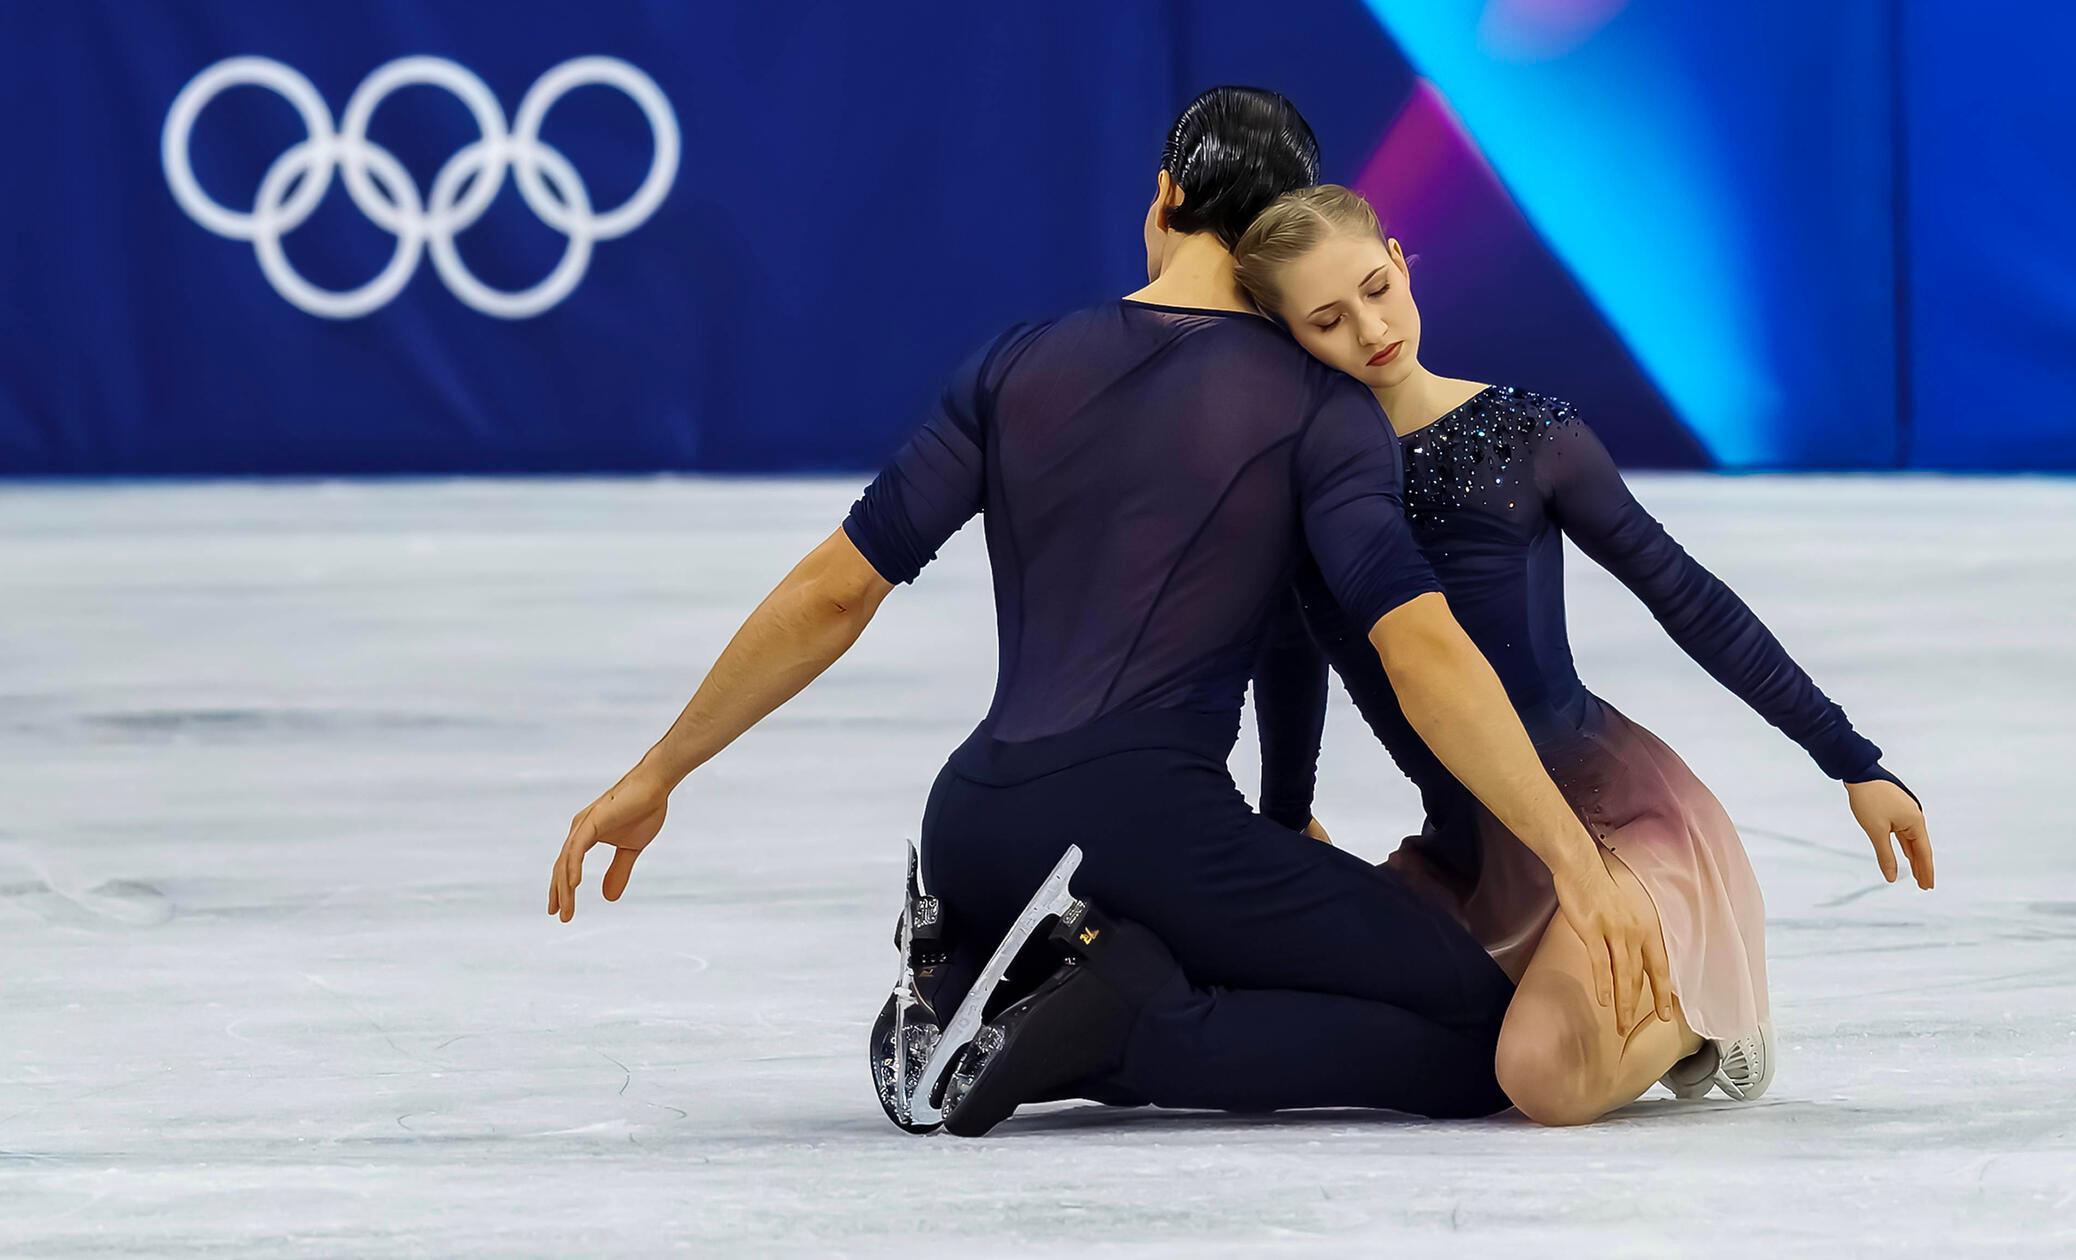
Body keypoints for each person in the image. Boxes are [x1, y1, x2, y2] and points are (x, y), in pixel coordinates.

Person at [546, 90, 1672, 1135]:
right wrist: (1572, 861)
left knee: (1229, 941)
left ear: (1165, 201)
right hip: (1151, 837)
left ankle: (988, 978)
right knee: (1482, 1029)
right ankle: (1123, 1025)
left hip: (971, 827)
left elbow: (837, 589)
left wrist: (658, 772)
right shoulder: (1315, 408)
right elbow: (1418, 644)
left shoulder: (1014, 365)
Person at [1231, 185, 1935, 1126]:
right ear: (1287, 338)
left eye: (1375, 287)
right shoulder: (1299, 494)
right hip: (1466, 854)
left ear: (1401, 261)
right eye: (1327, 319)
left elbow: (1686, 597)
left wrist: (1852, 761)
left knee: (1541, 1080)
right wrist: (1286, 814)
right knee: (1315, 1024)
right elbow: (1289, 651)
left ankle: (1699, 1021)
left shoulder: (1527, 436)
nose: (1370, 328)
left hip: (1610, 825)